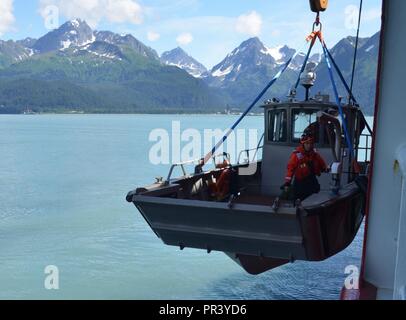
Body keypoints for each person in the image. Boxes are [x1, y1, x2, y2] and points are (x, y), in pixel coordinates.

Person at [282, 133, 329, 201]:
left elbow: (323, 166)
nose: (309, 145)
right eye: (307, 143)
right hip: (300, 184)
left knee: (312, 201)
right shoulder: (296, 155)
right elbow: (290, 169)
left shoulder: (315, 155)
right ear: (303, 144)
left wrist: (328, 168)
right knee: (298, 202)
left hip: (312, 182)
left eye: (310, 143)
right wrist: (287, 183)